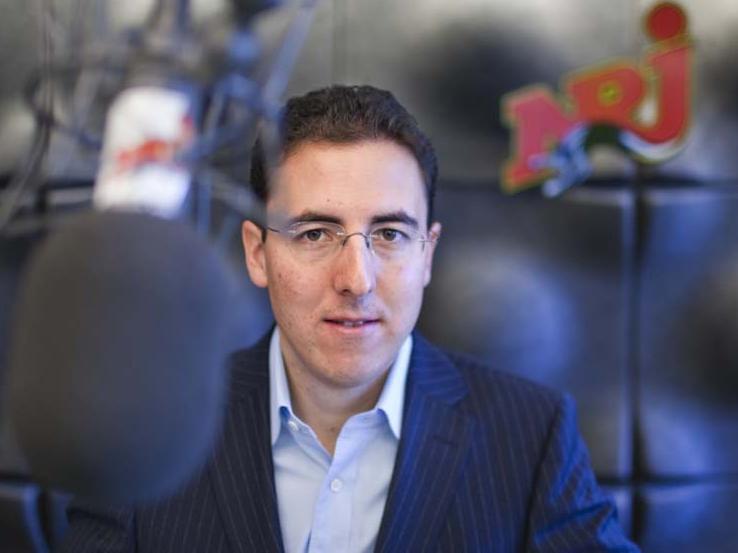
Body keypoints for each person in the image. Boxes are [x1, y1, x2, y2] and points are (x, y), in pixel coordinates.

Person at [62, 85, 639, 552]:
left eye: (389, 234)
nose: (356, 280)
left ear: (427, 255)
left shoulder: (532, 435)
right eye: (316, 233)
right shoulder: (149, 429)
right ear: (258, 254)